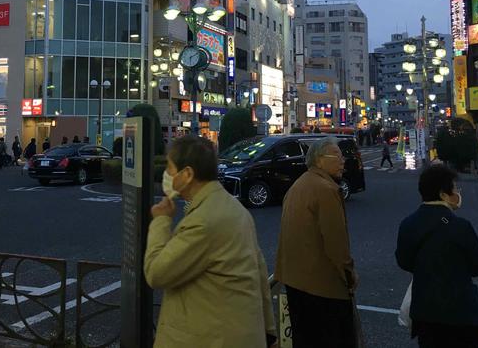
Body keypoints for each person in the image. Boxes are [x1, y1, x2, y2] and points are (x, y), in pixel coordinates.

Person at [144, 135, 276, 348]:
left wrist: (161, 221)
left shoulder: (204, 221)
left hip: (209, 336)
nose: (167, 174)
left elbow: (156, 273)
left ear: (187, 174)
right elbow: (259, 272)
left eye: (170, 167)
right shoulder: (235, 209)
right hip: (238, 332)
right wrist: (269, 332)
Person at [275, 137, 358, 348]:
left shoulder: (298, 185)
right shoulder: (326, 190)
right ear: (319, 160)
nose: (343, 161)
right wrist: (348, 275)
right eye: (337, 156)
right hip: (323, 287)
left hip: (294, 281)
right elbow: (336, 243)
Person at [396, 165, 478, 348]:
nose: (458, 192)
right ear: (443, 194)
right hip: (462, 314)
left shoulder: (408, 224)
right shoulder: (461, 226)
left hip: (425, 314)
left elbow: (404, 262)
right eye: (454, 188)